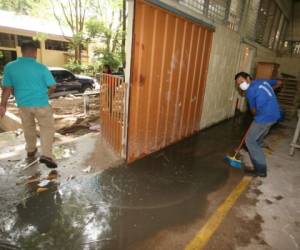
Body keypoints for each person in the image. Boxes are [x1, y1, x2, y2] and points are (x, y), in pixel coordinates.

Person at [0, 41, 57, 168]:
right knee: (47, 128)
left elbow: (6, 88)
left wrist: (2, 105)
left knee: (28, 127)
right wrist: (46, 95)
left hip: (23, 104)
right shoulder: (41, 68)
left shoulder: (10, 67)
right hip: (41, 103)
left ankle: (31, 150)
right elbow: (52, 86)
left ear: (22, 51)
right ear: (35, 52)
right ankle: (46, 154)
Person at [235, 72, 283, 177]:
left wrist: (256, 118)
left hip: (265, 117)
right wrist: (268, 94)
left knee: (250, 140)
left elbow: (253, 111)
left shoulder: (250, 91)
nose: (240, 85)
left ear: (248, 78)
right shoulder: (262, 81)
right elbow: (279, 82)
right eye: (238, 84)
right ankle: (258, 144)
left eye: (241, 82)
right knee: (260, 133)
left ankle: (260, 170)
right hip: (275, 114)